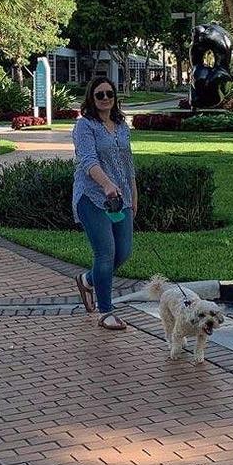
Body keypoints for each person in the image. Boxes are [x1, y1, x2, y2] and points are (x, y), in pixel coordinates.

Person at [72, 75, 137, 330]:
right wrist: (107, 184)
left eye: (109, 94)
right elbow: (88, 160)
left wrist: (132, 193)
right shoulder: (85, 126)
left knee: (124, 252)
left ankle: (88, 280)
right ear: (92, 98)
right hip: (92, 197)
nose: (105, 99)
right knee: (106, 252)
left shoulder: (121, 125)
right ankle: (106, 311)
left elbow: (128, 162)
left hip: (121, 200)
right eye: (100, 95)